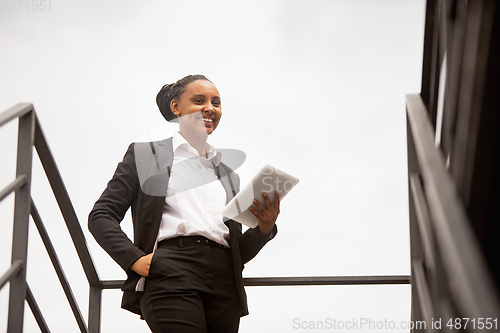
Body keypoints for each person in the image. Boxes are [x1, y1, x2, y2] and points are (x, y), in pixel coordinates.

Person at [88, 74, 280, 333]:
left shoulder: (228, 175)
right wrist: (134, 259)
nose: (210, 108)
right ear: (176, 108)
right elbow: (101, 215)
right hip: (171, 270)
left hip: (225, 282)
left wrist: (264, 228)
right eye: (199, 101)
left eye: (216, 102)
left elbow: (237, 251)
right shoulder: (148, 155)